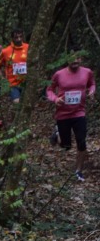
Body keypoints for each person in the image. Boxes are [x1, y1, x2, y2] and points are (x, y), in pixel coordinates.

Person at [46, 51, 95, 182]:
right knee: (66, 146)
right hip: (63, 114)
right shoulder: (59, 74)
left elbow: (92, 84)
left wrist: (92, 91)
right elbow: (49, 89)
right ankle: (58, 133)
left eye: (77, 58)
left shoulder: (87, 72)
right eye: (72, 58)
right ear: (67, 59)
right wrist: (55, 99)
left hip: (79, 112)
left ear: (81, 59)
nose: (75, 60)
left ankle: (78, 171)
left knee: (82, 142)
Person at [0, 29, 29, 105]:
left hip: (27, 82)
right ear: (12, 38)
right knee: (17, 103)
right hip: (13, 83)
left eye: (21, 37)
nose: (19, 39)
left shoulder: (28, 47)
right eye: (16, 37)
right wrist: (2, 79)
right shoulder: (5, 51)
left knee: (27, 104)